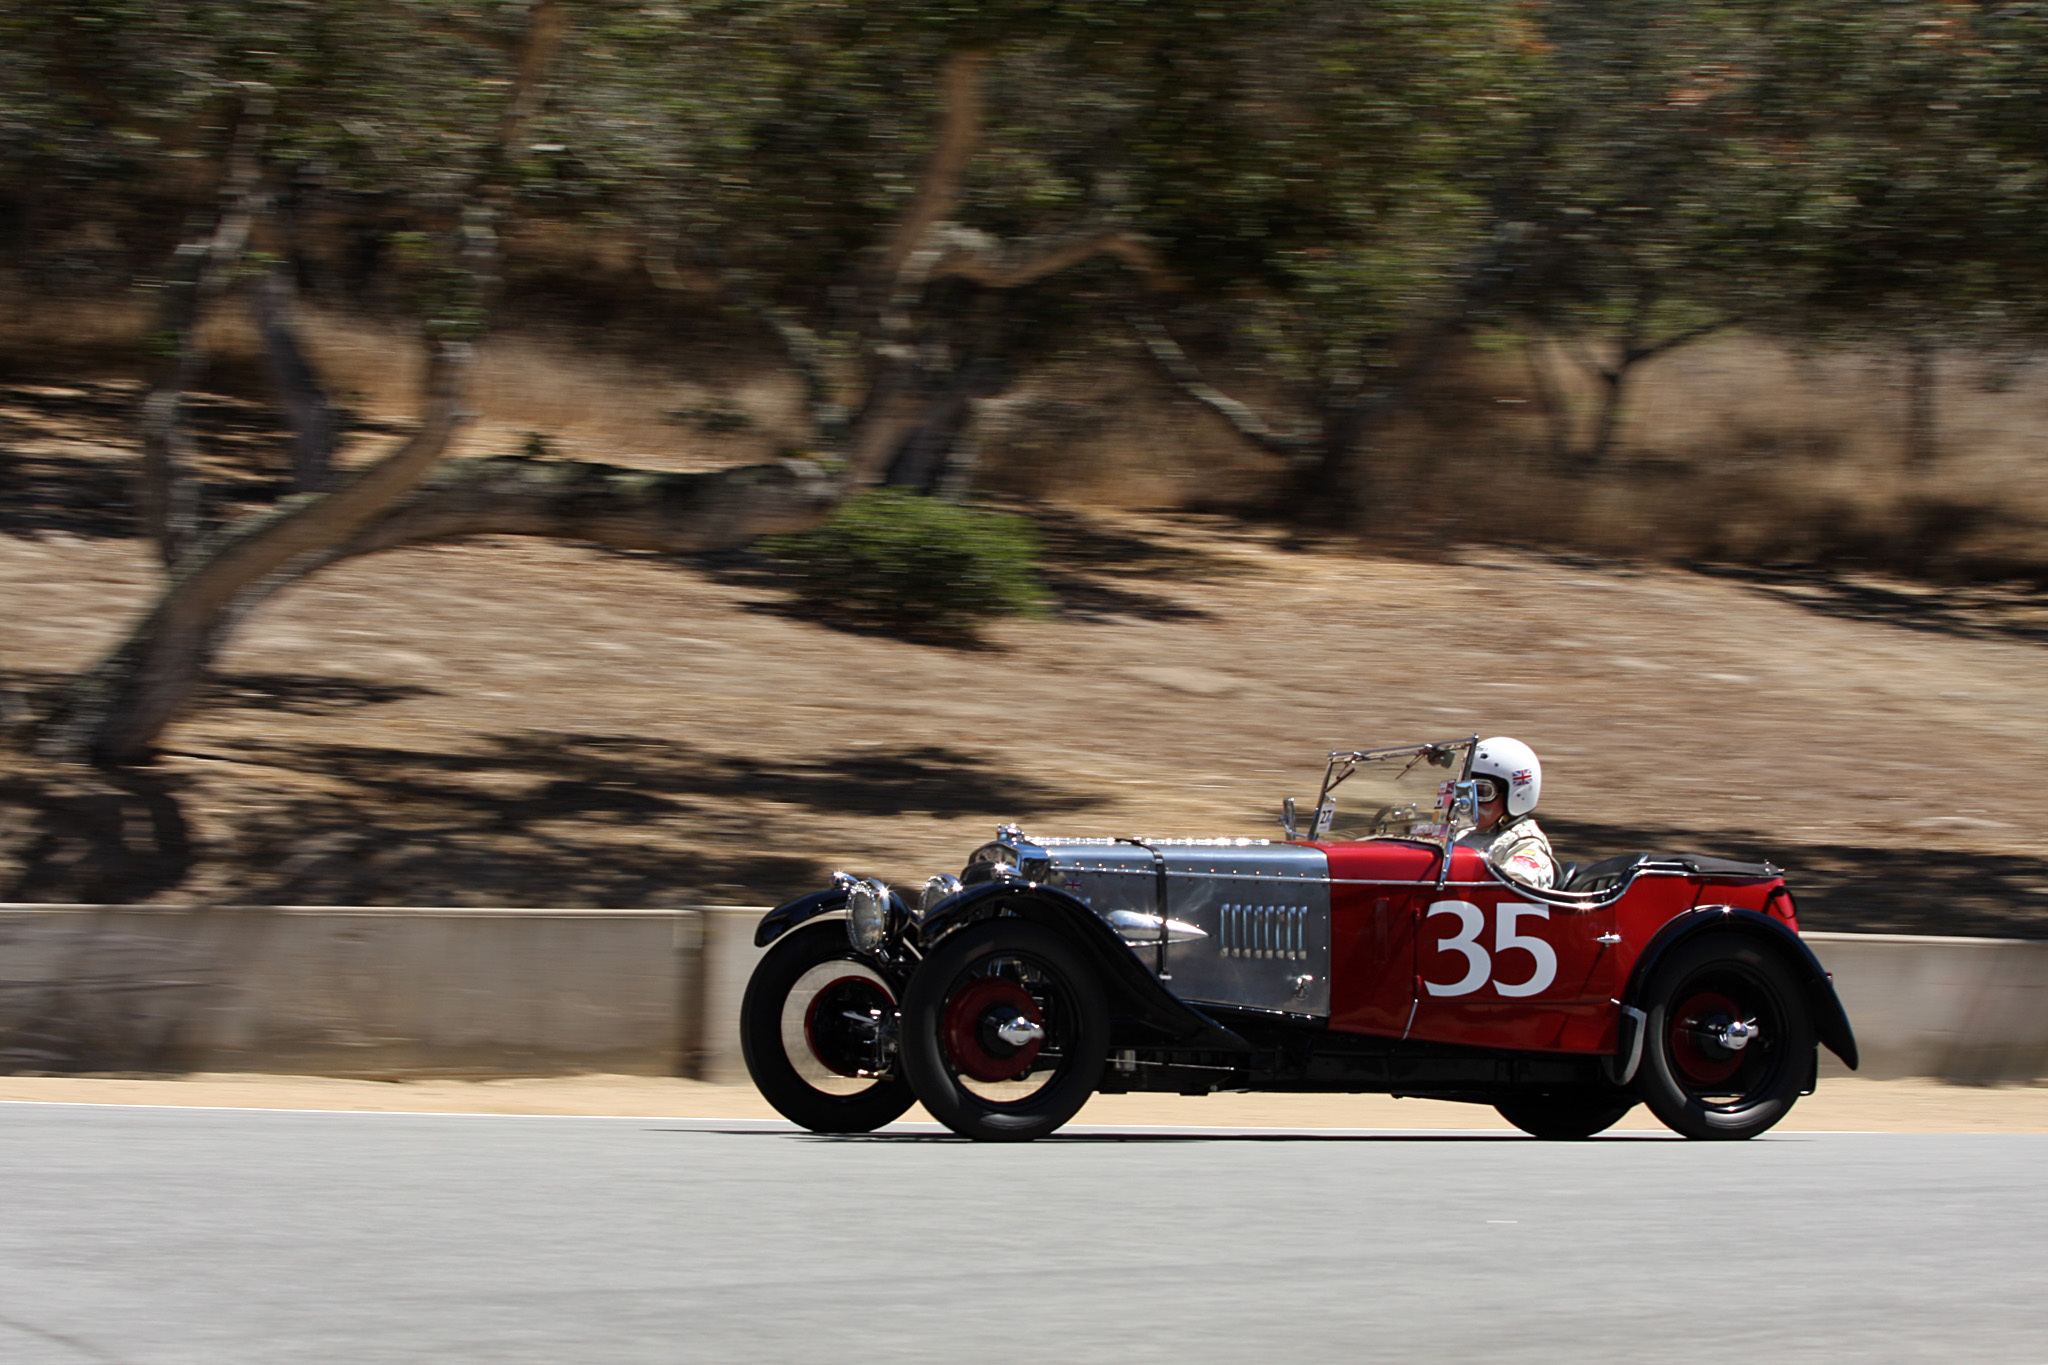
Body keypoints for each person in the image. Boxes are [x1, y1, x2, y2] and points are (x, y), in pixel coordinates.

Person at [1457, 736, 1557, 890]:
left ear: (1516, 794)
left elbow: (1516, 890)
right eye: (1467, 790)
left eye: (1483, 791)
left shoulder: (1526, 844)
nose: (1471, 800)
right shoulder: (1461, 830)